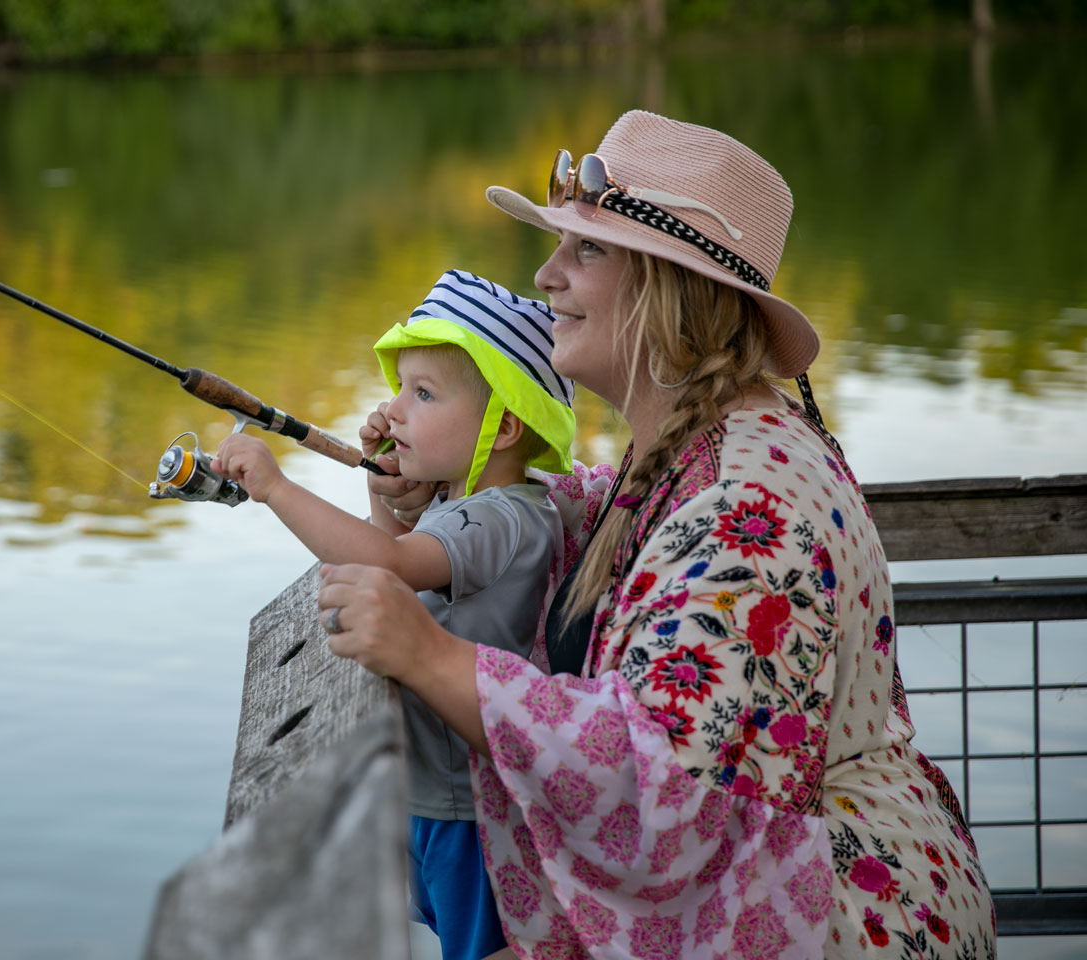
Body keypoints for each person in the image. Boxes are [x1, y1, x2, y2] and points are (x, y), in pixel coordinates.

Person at [322, 111, 996, 959]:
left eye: (587, 250)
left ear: (672, 286)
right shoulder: (696, 442)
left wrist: (430, 654)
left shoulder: (751, 511)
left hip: (828, 918)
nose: (546, 274)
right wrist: (442, 501)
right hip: (762, 889)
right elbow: (598, 522)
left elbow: (658, 780)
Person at [214, 269, 577, 960]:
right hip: (436, 795)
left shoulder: (506, 516)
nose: (397, 409)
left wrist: (274, 486)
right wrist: (385, 483)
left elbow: (386, 564)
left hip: (473, 814)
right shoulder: (459, 502)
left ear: (502, 426)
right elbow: (399, 556)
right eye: (401, 388)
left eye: (425, 393)